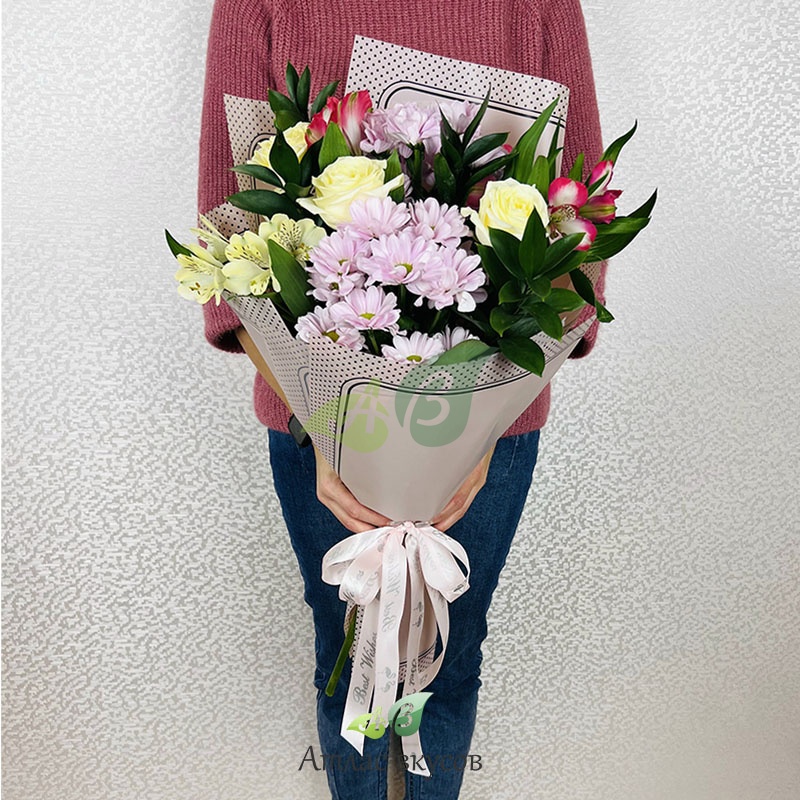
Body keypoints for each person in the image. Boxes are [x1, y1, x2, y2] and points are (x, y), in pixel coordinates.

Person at [197, 1, 606, 797]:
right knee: (344, 649)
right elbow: (225, 227)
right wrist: (330, 431)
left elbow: (580, 217)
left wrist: (475, 436)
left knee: (451, 653)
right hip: (315, 428)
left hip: (495, 436)